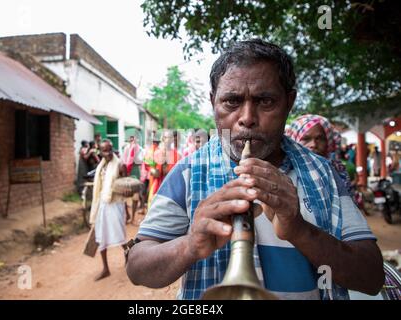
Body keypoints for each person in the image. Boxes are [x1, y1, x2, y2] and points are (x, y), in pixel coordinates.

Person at [126, 39, 384, 300]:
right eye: (231, 101)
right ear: (213, 101)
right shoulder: (188, 172)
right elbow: (137, 267)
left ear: (289, 102)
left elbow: (372, 278)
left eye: (266, 101)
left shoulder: (325, 173)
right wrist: (190, 245)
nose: (247, 118)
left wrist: (299, 230)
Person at [285, 114, 356, 197]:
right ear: (294, 140)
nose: (313, 144)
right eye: (306, 139)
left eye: (320, 139)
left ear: (328, 143)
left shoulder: (338, 172)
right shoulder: (284, 172)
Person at [89, 140, 128, 281]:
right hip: (102, 204)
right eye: (105, 150)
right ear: (100, 152)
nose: (108, 153)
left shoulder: (120, 164)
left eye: (110, 150)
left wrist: (126, 193)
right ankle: (105, 269)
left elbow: (126, 185)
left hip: (115, 204)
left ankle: (128, 254)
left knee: (120, 234)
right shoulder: (101, 165)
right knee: (101, 236)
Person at [122, 135, 144, 224]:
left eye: (134, 140)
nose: (132, 142)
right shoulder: (126, 149)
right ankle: (127, 215)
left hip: (135, 172)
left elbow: (141, 161)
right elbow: (123, 161)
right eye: (131, 140)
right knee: (124, 195)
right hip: (127, 173)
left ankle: (133, 218)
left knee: (135, 196)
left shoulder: (139, 149)